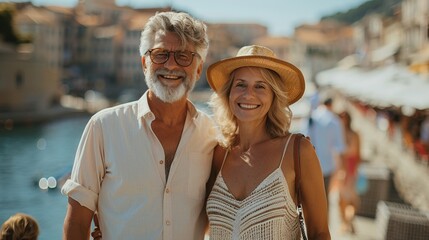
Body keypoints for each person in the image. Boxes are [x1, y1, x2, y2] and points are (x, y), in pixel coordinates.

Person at [61, 11, 217, 240]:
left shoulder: (212, 136)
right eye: (161, 54)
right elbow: (76, 224)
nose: (171, 65)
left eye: (184, 56)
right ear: (145, 62)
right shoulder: (103, 127)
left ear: (198, 68)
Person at [205, 45, 330, 239]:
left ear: (274, 97)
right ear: (229, 93)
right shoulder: (218, 154)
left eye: (260, 86)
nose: (248, 94)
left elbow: (319, 233)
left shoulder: (297, 151)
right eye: (240, 84)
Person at [306, 96, 345, 206]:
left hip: (309, 165)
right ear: (331, 105)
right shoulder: (334, 121)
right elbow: (339, 148)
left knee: (310, 199)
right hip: (327, 166)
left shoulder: (311, 118)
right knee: (324, 199)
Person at [337, 111, 361, 234]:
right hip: (346, 168)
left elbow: (355, 154)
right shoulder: (349, 134)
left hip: (347, 169)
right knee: (344, 199)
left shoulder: (349, 134)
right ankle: (347, 222)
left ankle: (346, 222)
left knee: (346, 199)